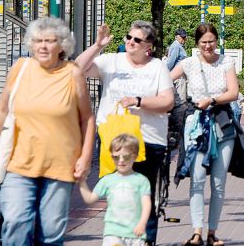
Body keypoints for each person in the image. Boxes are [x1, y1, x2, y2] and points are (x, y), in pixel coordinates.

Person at [0, 16, 95, 245]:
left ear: (62, 45)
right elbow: (1, 110)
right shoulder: (20, 69)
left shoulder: (72, 73)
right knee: (15, 221)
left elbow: (87, 118)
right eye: (38, 41)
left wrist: (85, 157)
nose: (42, 46)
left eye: (49, 41)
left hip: (60, 164)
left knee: (51, 233)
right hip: (19, 162)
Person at [75, 21, 174, 246]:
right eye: (128, 37)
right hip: (115, 141)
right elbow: (76, 69)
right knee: (118, 196)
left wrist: (138, 101)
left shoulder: (157, 67)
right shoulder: (112, 61)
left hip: (148, 140)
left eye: (137, 40)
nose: (131, 42)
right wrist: (98, 46)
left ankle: (145, 241)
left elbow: (167, 101)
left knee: (144, 196)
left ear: (148, 45)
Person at [169, 23, 241, 246]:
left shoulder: (226, 62)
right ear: (196, 43)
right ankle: (197, 231)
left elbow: (234, 92)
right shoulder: (189, 63)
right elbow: (164, 79)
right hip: (197, 125)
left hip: (222, 123)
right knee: (197, 179)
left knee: (218, 182)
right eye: (203, 42)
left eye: (211, 41)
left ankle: (212, 232)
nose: (208, 46)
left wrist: (212, 100)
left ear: (216, 41)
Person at [78, 133, 152, 246]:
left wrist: (142, 223)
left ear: (135, 156)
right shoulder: (107, 180)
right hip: (113, 233)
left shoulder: (141, 180)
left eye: (126, 156)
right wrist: (81, 182)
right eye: (116, 157)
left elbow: (146, 204)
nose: (121, 160)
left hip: (135, 234)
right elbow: (90, 199)